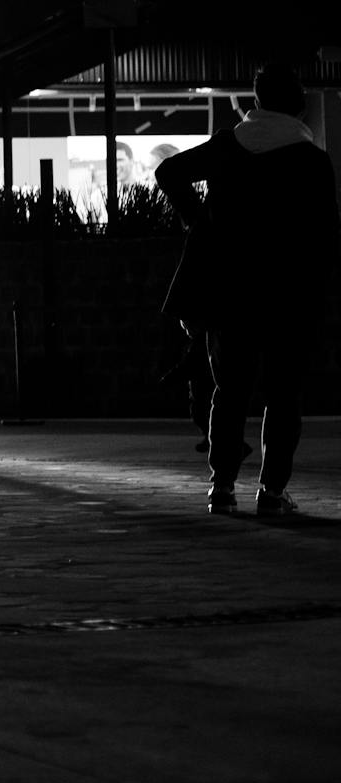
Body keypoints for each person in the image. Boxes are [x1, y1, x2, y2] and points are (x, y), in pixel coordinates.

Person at [155, 64, 339, 517]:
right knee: (284, 395)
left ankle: (222, 489)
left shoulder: (228, 148)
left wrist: (199, 221)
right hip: (288, 295)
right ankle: (272, 494)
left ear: (256, 103)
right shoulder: (311, 160)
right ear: (298, 106)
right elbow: (326, 236)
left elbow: (169, 173)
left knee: (229, 390)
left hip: (229, 291)